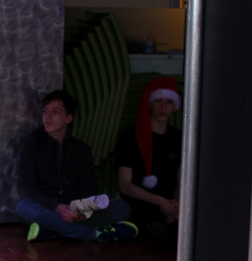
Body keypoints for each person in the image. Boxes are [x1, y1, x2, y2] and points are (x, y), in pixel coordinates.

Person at [14, 89, 136, 242]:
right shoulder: (32, 146)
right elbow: (27, 190)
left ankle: (51, 230)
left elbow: (88, 188)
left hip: (73, 210)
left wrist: (84, 211)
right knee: (24, 207)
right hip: (47, 207)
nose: (47, 116)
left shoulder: (81, 150)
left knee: (123, 207)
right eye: (45, 111)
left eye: (55, 112)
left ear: (68, 118)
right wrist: (57, 207)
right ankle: (92, 234)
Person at [115, 76, 183, 249]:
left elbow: (181, 180)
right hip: (142, 204)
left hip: (169, 206)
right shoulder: (130, 138)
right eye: (158, 101)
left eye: (169, 102)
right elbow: (125, 185)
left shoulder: (179, 138)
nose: (163, 107)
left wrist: (176, 203)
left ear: (175, 107)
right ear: (150, 104)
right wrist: (160, 202)